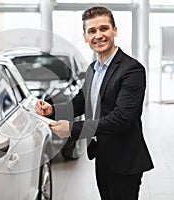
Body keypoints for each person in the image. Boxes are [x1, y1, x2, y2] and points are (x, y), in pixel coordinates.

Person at [35, 6, 154, 200]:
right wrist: (52, 111)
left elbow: (121, 118)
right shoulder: (93, 68)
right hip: (103, 154)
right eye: (92, 31)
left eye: (104, 28)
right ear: (85, 36)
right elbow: (81, 102)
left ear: (114, 31)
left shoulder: (132, 70)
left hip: (124, 160)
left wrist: (73, 129)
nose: (98, 35)